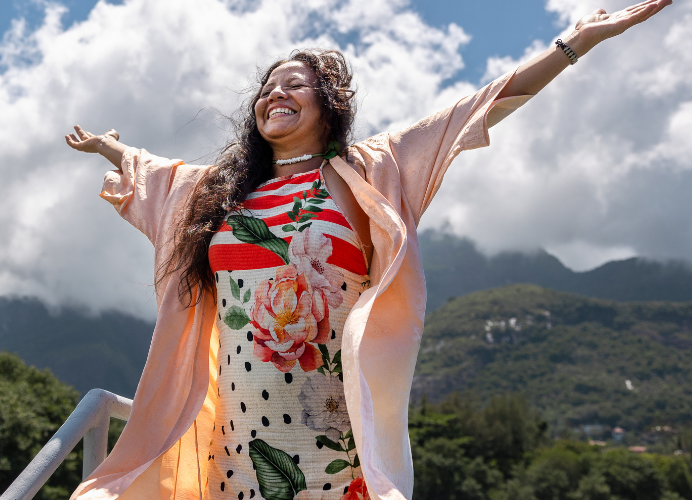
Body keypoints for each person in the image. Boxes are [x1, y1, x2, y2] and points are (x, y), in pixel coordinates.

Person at [64, 2, 671, 499]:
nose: (274, 96)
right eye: (267, 89)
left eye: (293, 86)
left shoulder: (373, 170)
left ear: (328, 103)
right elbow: (156, 173)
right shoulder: (216, 193)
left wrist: (575, 44)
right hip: (238, 439)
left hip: (336, 436)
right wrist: (112, 150)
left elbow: (483, 105)